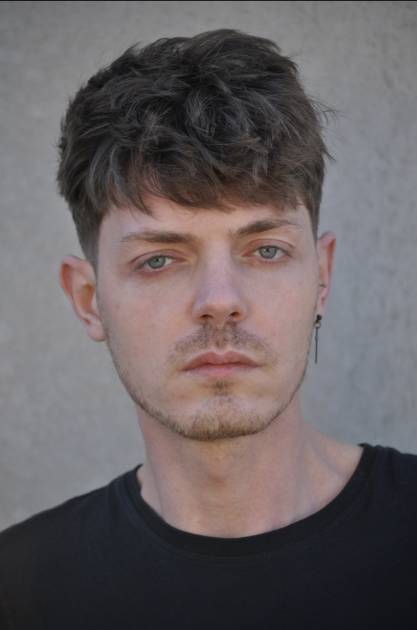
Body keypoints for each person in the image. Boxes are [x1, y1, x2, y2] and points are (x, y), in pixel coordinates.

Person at [0, 28, 416, 630]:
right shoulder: (19, 589)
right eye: (159, 260)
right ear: (89, 301)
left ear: (321, 276)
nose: (220, 301)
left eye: (266, 250)